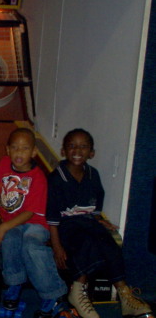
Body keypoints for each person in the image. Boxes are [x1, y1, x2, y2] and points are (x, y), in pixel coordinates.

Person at [47, 128, 152, 318]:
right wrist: (56, 246)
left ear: (91, 153)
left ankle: (124, 293)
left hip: (87, 222)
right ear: (63, 151)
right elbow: (53, 218)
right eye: (71, 146)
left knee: (107, 242)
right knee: (86, 241)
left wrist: (99, 222)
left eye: (83, 146)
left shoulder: (92, 174)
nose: (77, 150)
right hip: (67, 226)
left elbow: (94, 208)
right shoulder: (56, 178)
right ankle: (77, 291)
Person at [0, 128, 68, 318]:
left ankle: (53, 294)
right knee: (10, 240)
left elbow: (29, 212)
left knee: (31, 246)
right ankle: (14, 285)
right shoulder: (3, 164)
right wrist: (2, 219)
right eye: (15, 148)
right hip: (12, 223)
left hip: (36, 224)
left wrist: (3, 227)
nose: (19, 153)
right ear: (7, 149)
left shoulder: (38, 178)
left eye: (25, 149)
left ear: (34, 152)